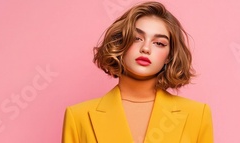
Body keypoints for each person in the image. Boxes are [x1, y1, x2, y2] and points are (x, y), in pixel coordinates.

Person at [62, 1, 213, 142]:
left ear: (169, 56)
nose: (146, 48)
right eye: (137, 38)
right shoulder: (78, 117)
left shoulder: (197, 115)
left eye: (159, 43)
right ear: (120, 44)